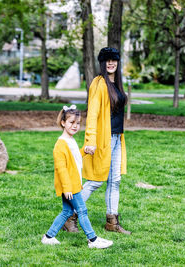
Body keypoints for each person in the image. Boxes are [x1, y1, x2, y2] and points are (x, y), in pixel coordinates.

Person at [63, 47, 131, 235]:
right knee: (95, 181)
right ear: (102, 63)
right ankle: (69, 217)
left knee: (114, 180)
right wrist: (90, 140)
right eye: (107, 60)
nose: (111, 63)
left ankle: (112, 221)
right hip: (102, 139)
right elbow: (92, 114)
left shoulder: (117, 82)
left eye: (114, 60)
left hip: (117, 137)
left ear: (118, 62)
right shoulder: (98, 83)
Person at [41, 105, 113, 249]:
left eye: (78, 123)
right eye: (71, 122)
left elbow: (73, 159)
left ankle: (48, 237)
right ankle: (93, 239)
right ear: (63, 123)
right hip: (70, 186)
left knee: (67, 211)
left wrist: (84, 151)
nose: (75, 126)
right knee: (82, 211)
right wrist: (67, 188)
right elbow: (61, 169)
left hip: (73, 184)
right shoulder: (60, 145)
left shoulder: (70, 141)